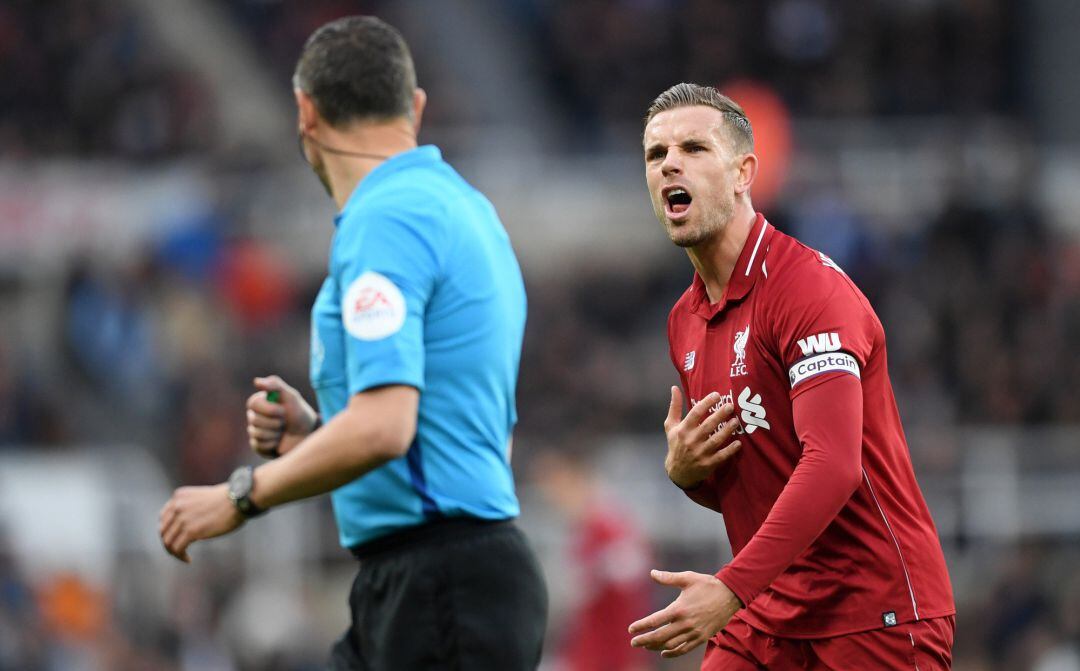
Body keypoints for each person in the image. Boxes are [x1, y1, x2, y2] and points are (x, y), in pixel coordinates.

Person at [158, 16, 547, 670]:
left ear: (306, 114)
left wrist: (241, 494)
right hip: (444, 580)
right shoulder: (463, 208)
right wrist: (316, 436)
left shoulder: (385, 218)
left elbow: (386, 426)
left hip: (440, 585)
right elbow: (438, 435)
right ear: (415, 108)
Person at [627, 83, 956, 670]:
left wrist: (730, 589)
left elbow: (832, 464)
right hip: (770, 609)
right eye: (657, 154)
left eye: (694, 148)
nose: (670, 163)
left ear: (742, 172)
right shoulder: (684, 321)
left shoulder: (808, 290)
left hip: (872, 611)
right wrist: (686, 474)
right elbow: (759, 475)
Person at [532, 448, 654, 671]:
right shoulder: (584, 532)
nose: (553, 497)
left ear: (576, 480)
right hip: (589, 656)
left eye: (557, 486)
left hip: (610, 659)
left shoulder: (608, 528)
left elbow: (630, 585)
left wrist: (633, 659)